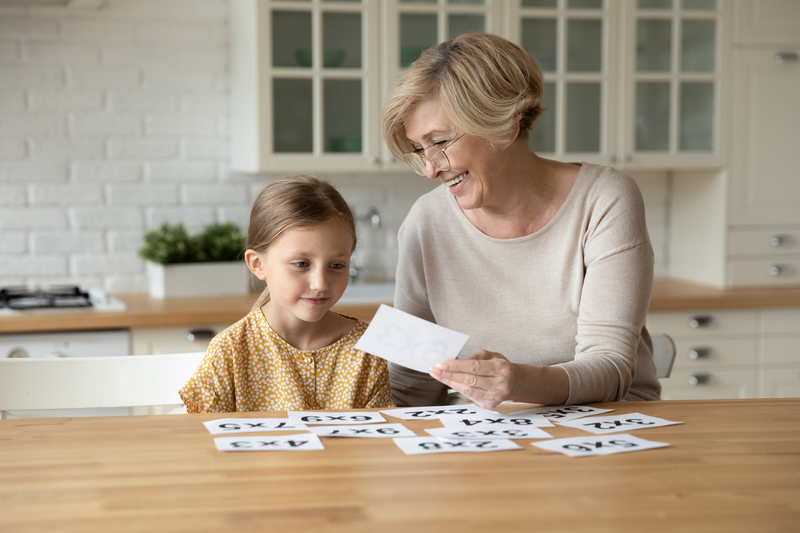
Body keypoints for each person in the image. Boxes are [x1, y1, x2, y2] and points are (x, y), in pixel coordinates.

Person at [381, 32, 660, 409]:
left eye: (441, 142)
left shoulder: (604, 199)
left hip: (604, 424)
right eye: (419, 150)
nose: (430, 169)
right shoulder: (425, 222)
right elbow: (412, 384)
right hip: (480, 435)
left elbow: (611, 367)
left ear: (505, 127)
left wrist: (516, 382)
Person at [179, 175, 394, 413]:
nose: (320, 283)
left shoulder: (367, 352)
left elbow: (379, 442)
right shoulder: (230, 351)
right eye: (301, 264)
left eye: (336, 265)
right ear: (258, 264)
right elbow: (201, 439)